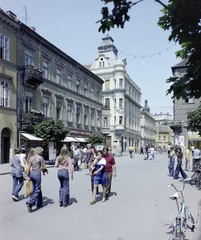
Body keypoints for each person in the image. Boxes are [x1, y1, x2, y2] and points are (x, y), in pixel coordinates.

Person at [26, 147, 47, 212]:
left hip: (32, 173)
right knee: (37, 189)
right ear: (39, 152)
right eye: (41, 151)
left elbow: (29, 167)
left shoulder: (31, 158)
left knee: (35, 188)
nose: (42, 153)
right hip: (37, 173)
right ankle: (30, 202)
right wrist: (45, 171)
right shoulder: (40, 158)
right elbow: (43, 167)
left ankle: (39, 202)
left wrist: (28, 176)